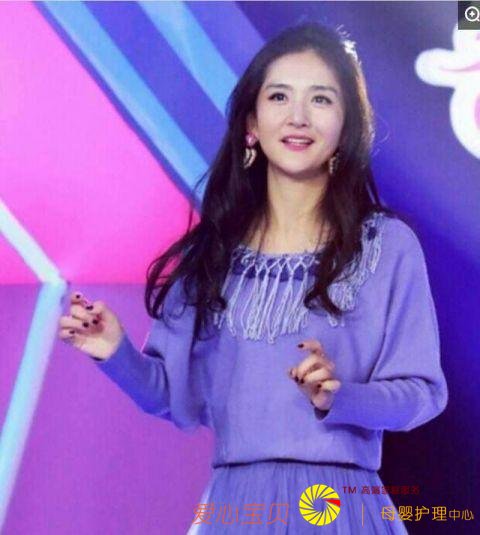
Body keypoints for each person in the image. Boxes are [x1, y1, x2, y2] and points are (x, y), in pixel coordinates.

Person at [58, 22, 448, 534]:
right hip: (237, 511)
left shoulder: (386, 246)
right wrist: (115, 351)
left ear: (346, 126)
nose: (298, 116)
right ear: (251, 123)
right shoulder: (212, 254)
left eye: (321, 99)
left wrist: (341, 395)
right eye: (279, 96)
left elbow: (422, 392)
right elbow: (173, 393)